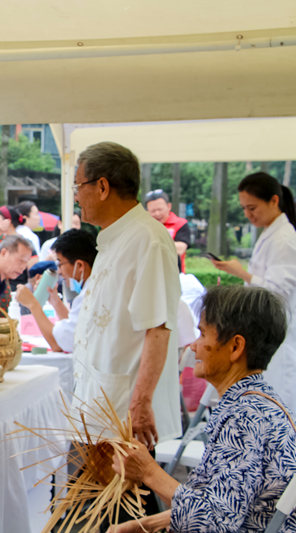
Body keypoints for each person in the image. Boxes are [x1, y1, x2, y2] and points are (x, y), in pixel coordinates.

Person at [109, 285, 296, 533]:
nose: (193, 346)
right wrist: (147, 524)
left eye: (203, 334)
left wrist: (149, 472)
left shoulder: (245, 417)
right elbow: (224, 505)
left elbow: (216, 524)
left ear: (235, 347)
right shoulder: (256, 402)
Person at [72, 141, 181, 452]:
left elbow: (158, 327)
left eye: (79, 186)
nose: (77, 197)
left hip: (124, 414)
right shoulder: (113, 238)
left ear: (102, 186)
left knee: (126, 499)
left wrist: (142, 402)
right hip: (99, 405)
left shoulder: (147, 239)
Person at [210, 172, 296, 412]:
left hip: (279, 332)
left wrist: (243, 274)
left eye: (253, 208)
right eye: (244, 209)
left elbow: (278, 293)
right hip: (266, 331)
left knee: (279, 406)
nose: (248, 215)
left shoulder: (284, 239)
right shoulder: (272, 233)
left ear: (274, 201)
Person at [15, 229, 97, 353]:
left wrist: (33, 304)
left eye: (60, 264)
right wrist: (54, 300)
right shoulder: (92, 287)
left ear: (79, 265)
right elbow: (73, 327)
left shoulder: (89, 294)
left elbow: (59, 343)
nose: (59, 271)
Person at [144, 189, 191, 272]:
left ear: (169, 206)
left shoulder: (180, 224)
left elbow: (180, 249)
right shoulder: (143, 227)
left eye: (160, 209)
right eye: (153, 211)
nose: (157, 214)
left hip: (174, 274)